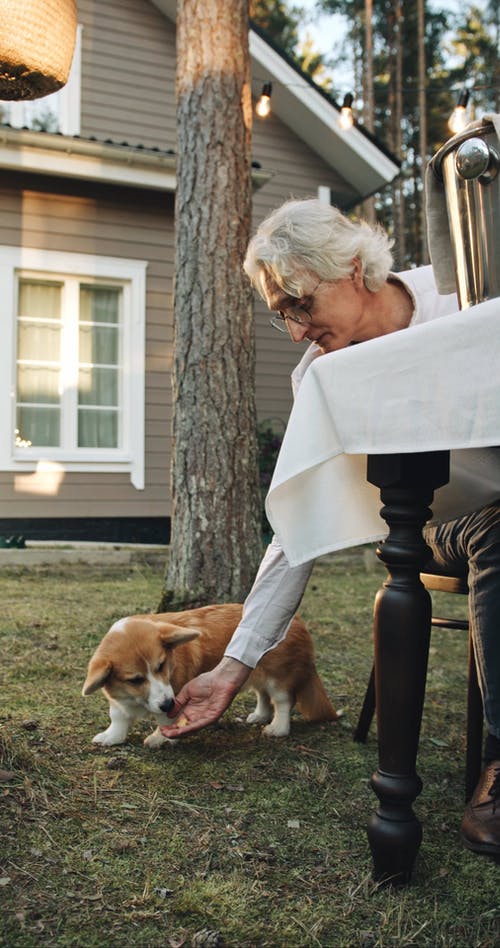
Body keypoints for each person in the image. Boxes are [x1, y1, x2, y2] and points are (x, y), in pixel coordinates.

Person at [161, 197, 500, 859]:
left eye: (298, 304)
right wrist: (231, 671)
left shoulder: (463, 296)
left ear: (352, 268)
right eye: (280, 313)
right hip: (440, 518)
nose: (294, 331)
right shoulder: (322, 374)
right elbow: (296, 535)